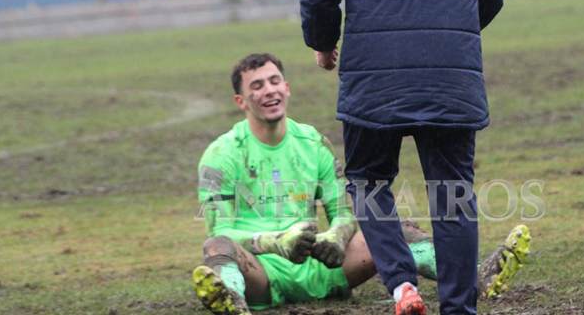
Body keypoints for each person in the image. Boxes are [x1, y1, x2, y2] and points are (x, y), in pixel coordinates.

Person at [296, 0, 504, 315]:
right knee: (453, 194)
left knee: (368, 182)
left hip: (373, 76)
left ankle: (401, 284)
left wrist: (322, 42)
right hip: (451, 75)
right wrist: (451, 38)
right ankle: (459, 308)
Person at [192, 53, 529, 315]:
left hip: (323, 269)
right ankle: (234, 301)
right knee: (217, 247)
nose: (269, 90)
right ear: (240, 101)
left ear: (287, 87)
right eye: (257, 86)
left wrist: (337, 237)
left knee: (388, 226)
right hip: (262, 274)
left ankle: (477, 278)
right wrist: (275, 242)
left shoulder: (312, 143)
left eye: (274, 81)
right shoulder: (221, 155)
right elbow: (220, 231)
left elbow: (343, 210)